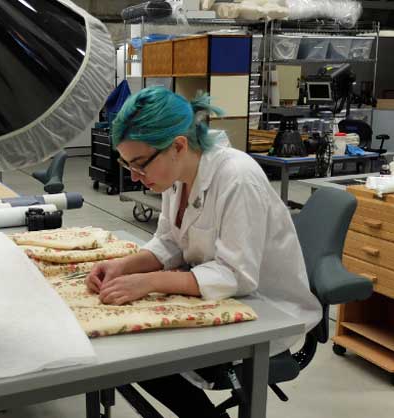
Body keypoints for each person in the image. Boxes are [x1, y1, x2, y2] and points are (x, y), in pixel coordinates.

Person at [85, 86, 321, 417]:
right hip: (218, 291)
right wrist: (122, 266)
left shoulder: (237, 178)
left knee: (143, 356)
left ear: (178, 146)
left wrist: (150, 282)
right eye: (128, 166)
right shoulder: (176, 176)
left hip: (267, 309)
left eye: (140, 165)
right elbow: (169, 242)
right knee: (123, 345)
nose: (136, 178)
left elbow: (235, 275)